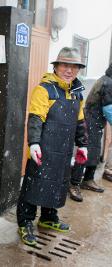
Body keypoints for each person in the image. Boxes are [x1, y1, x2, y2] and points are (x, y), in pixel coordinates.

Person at [16, 47, 88, 246]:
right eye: (65, 65)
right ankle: (25, 222)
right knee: (33, 186)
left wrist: (83, 145)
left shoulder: (77, 93)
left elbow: (80, 121)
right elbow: (36, 118)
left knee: (57, 184)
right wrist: (34, 144)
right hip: (43, 150)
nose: (69, 70)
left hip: (63, 151)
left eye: (74, 67)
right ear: (56, 67)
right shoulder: (44, 89)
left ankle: (48, 217)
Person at [69, 63, 112, 201]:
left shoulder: (106, 79)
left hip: (95, 121)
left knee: (93, 151)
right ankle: (74, 184)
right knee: (85, 152)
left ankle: (88, 179)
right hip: (90, 121)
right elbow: (108, 109)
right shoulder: (108, 82)